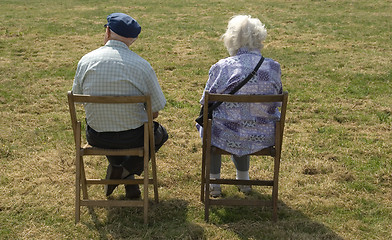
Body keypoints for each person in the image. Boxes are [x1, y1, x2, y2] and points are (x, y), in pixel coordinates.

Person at [72, 13, 168, 199]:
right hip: (132, 137)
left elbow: (79, 98)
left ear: (107, 31)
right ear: (133, 39)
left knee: (113, 127)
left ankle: (125, 177)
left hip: (97, 136)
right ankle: (125, 170)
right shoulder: (142, 66)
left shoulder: (86, 61)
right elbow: (154, 111)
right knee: (158, 133)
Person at [197, 15, 283, 198]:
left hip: (226, 133)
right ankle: (243, 180)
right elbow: (277, 101)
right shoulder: (273, 68)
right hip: (262, 134)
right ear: (260, 38)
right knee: (246, 121)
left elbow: (206, 101)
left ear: (231, 39)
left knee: (211, 124)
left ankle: (214, 184)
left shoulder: (222, 67)